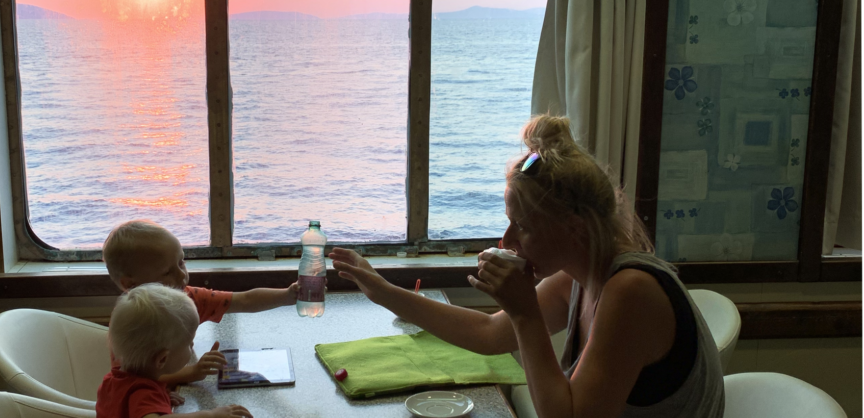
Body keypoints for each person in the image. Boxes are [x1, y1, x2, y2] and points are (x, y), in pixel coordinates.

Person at [331, 115, 725, 418]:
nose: (508, 242)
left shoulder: (632, 291)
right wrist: (383, 291)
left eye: (523, 226)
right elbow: (488, 333)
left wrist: (524, 311)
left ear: (573, 228)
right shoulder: (580, 276)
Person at [103, 221, 299, 386]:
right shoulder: (130, 323)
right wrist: (193, 372)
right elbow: (129, 381)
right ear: (131, 284)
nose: (182, 275)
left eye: (181, 263)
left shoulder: (189, 297)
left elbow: (245, 300)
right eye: (167, 272)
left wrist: (287, 296)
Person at [96, 283, 253, 418]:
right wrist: (210, 415)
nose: (192, 347)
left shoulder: (112, 380)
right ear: (162, 359)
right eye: (188, 344)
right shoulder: (143, 393)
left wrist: (160, 401)